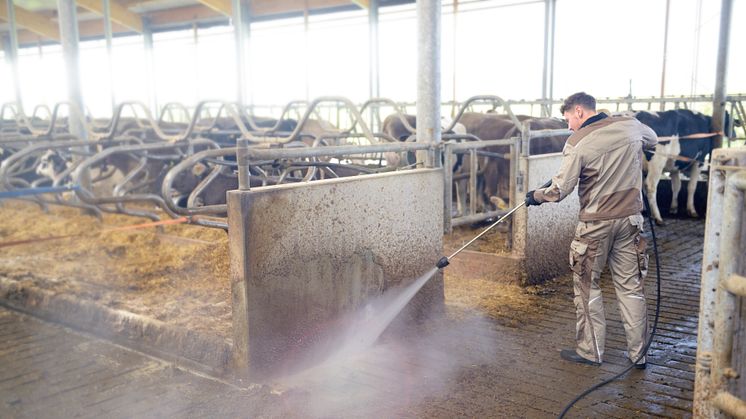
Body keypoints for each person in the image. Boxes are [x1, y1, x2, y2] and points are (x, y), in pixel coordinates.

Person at [525, 92, 657, 369]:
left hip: (595, 226)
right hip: (630, 221)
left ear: (579, 111)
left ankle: (591, 351)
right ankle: (639, 355)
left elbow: (560, 190)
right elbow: (653, 140)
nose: (570, 126)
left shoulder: (578, 142)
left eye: (569, 119)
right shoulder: (631, 125)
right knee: (631, 287)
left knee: (588, 288)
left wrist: (535, 196)